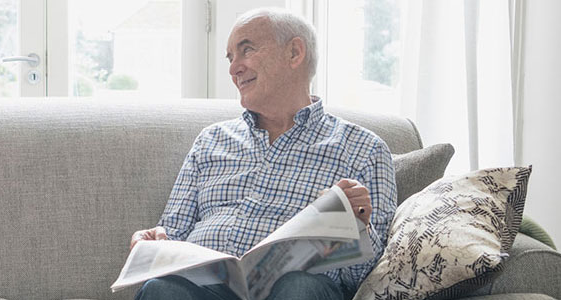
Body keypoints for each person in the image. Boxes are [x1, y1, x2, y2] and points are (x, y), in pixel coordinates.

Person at [128, 7, 397, 300]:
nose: (233, 68)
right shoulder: (211, 140)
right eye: (231, 58)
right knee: (161, 290)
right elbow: (172, 234)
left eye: (247, 51)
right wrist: (153, 242)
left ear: (294, 53)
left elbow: (368, 279)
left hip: (297, 290)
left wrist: (357, 226)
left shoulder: (364, 149)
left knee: (299, 288)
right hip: (208, 290)